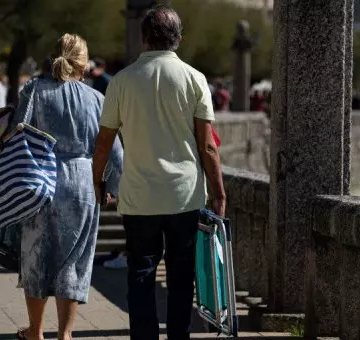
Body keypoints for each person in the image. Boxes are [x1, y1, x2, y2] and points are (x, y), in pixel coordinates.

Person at [92, 6, 226, 340]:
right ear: (178, 38)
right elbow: (208, 146)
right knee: (182, 278)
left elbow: (103, 143)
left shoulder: (121, 82)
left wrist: (98, 182)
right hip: (184, 195)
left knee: (140, 275)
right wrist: (220, 192)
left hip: (139, 199)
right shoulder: (195, 79)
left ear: (143, 37)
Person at [14, 34, 122, 340]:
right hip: (82, 182)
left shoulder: (34, 90)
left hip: (40, 180)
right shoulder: (97, 99)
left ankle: (35, 331)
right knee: (73, 260)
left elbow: (15, 133)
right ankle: (66, 333)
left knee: (37, 256)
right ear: (84, 64)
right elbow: (112, 150)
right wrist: (113, 185)